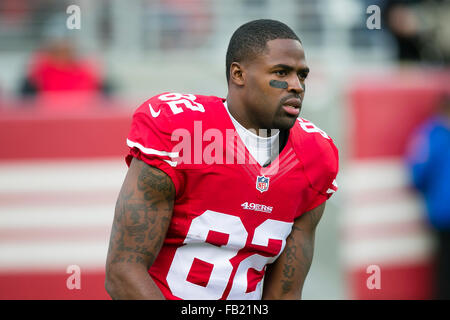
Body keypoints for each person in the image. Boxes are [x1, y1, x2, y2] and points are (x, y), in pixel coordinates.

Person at [105, 19, 339, 300]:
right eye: (281, 72)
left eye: (302, 75)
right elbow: (123, 272)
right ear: (238, 74)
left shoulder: (315, 155)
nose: (296, 86)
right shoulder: (184, 134)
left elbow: (285, 293)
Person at [405, 94, 450, 299]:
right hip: (443, 215)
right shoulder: (431, 135)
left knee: (444, 267)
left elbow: (417, 174)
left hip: (441, 213)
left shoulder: (429, 135)